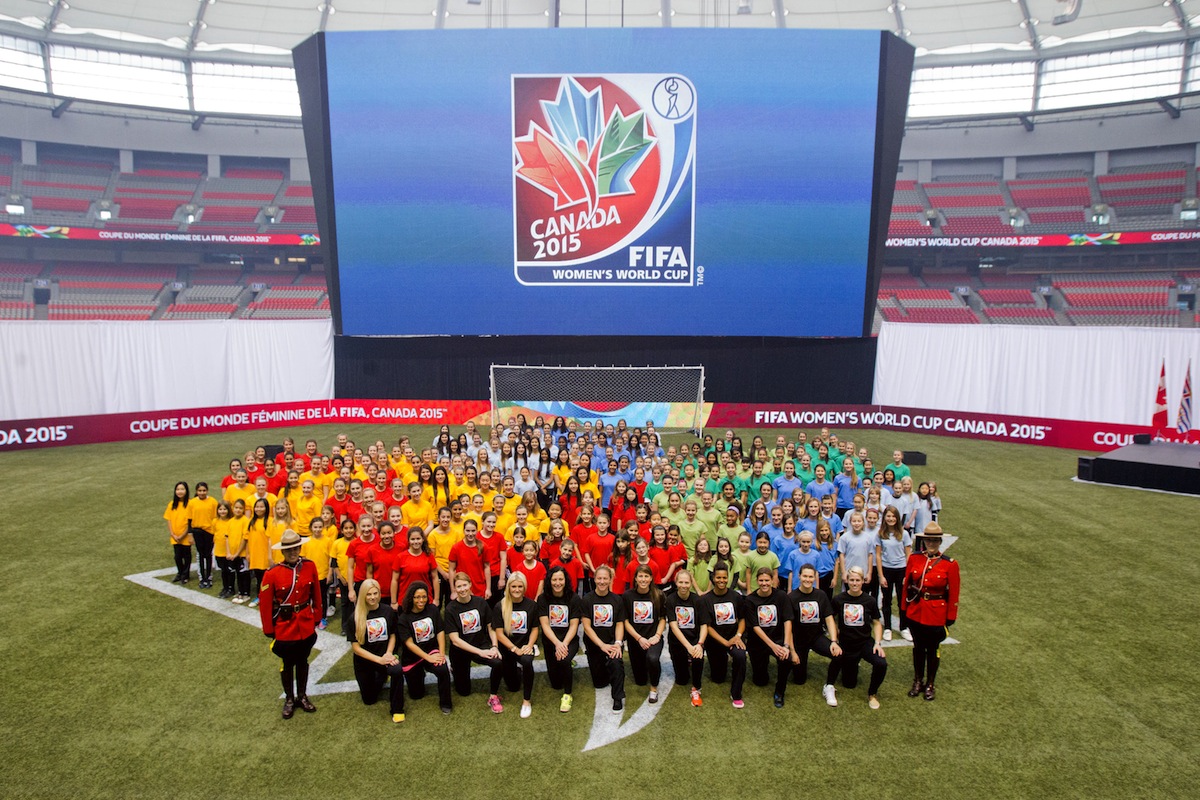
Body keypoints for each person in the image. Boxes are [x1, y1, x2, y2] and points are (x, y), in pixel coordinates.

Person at [258, 529, 323, 719]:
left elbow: (316, 594)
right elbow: (265, 604)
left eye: (296, 548)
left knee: (303, 660)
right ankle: (289, 698)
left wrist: (316, 617)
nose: (293, 552)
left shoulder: (309, 566)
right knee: (287, 663)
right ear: (283, 552)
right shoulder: (272, 574)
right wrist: (269, 629)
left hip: (305, 623)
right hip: (285, 626)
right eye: (289, 549)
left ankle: (302, 696)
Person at [900, 522, 960, 701]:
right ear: (924, 541)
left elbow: (954, 593)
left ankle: (930, 683)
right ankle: (917, 680)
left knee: (933, 649)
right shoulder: (915, 558)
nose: (931, 544)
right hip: (916, 611)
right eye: (929, 540)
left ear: (940, 541)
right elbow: (907, 586)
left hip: (935, 613)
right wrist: (904, 608)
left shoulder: (950, 564)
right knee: (918, 647)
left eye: (935, 541)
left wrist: (950, 617)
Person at [444, 572, 505, 711]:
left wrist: (494, 646)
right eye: (458, 586)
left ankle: (493, 696)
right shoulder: (450, 609)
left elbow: (491, 627)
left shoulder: (480, 602)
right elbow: (455, 640)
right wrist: (480, 652)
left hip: (480, 643)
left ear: (470, 585)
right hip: (461, 650)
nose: (462, 589)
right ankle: (455, 669)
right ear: (454, 588)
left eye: (465, 585)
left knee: (498, 662)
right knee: (464, 692)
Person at [828, 566, 887, 710]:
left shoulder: (870, 600)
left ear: (863, 581)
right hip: (846, 644)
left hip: (865, 642)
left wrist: (878, 643)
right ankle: (849, 665)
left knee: (881, 663)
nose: (854, 583)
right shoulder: (838, 599)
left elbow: (877, 623)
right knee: (849, 684)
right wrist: (835, 640)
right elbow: (831, 619)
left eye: (857, 580)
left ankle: (872, 693)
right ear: (847, 581)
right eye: (852, 580)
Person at [349, 578, 406, 723]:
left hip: (385, 656)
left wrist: (388, 653)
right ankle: (380, 677)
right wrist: (378, 660)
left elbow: (393, 635)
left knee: (397, 670)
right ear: (363, 595)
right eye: (369, 594)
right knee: (369, 700)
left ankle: (397, 709)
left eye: (375, 593)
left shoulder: (388, 611)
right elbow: (356, 648)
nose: (373, 597)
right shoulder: (355, 616)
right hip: (365, 661)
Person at [397, 581, 453, 715]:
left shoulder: (433, 609)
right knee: (416, 695)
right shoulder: (404, 618)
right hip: (412, 657)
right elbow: (409, 644)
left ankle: (446, 703)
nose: (421, 600)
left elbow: (440, 631)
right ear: (411, 598)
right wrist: (427, 658)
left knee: (442, 669)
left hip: (431, 650)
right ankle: (419, 673)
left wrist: (441, 653)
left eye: (424, 596)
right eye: (417, 597)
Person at [788, 564, 842, 700]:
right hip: (799, 641)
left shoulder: (821, 595)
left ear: (814, 578)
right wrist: (792, 650)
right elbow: (788, 626)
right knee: (799, 680)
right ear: (799, 577)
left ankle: (829, 686)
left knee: (838, 655)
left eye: (810, 576)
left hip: (816, 637)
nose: (807, 579)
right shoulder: (791, 597)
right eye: (805, 576)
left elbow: (829, 618)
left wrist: (834, 641)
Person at [701, 562, 748, 708]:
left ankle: (736, 693)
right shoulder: (706, 599)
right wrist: (725, 643)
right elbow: (707, 627)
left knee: (740, 656)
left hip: (734, 638)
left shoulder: (736, 597)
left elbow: (742, 619)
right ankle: (723, 660)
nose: (721, 581)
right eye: (718, 578)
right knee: (718, 678)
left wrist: (738, 636)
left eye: (724, 578)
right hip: (715, 641)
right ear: (713, 578)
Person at [492, 572, 540, 719]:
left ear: (524, 587)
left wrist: (530, 645)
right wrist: (513, 648)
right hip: (507, 648)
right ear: (509, 587)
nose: (517, 590)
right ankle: (516, 672)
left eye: (520, 586)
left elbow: (535, 629)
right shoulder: (500, 605)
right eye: (513, 586)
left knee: (527, 661)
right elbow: (499, 633)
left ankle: (526, 701)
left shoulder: (531, 605)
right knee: (512, 687)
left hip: (524, 646)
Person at [744, 566, 794, 708]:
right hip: (757, 642)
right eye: (761, 580)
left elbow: (787, 620)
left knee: (786, 659)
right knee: (760, 681)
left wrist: (785, 646)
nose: (764, 583)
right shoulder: (750, 600)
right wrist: (772, 646)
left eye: (767, 580)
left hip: (778, 639)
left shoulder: (781, 596)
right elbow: (755, 627)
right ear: (757, 581)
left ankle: (780, 691)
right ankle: (762, 665)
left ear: (773, 580)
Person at [581, 564, 627, 713]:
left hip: (612, 642)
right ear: (594, 579)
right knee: (600, 683)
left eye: (605, 579)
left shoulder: (617, 600)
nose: (602, 582)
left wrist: (618, 644)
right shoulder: (587, 599)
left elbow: (620, 624)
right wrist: (601, 645)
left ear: (610, 580)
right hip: (595, 644)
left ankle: (618, 697)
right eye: (599, 578)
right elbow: (586, 627)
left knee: (616, 662)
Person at [538, 565, 583, 713]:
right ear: (549, 581)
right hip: (551, 641)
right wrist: (557, 644)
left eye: (561, 579)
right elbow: (544, 624)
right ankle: (565, 660)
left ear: (566, 580)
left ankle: (567, 694)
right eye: (554, 579)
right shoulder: (543, 598)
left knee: (564, 660)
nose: (557, 583)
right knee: (555, 683)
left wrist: (563, 644)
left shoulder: (574, 598)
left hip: (569, 640)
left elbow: (574, 625)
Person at [623, 564, 666, 703]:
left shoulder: (658, 595)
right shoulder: (627, 596)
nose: (643, 579)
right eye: (640, 576)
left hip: (653, 638)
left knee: (652, 659)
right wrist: (639, 638)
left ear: (651, 578)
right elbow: (625, 621)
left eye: (646, 576)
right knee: (640, 680)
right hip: (636, 640)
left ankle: (654, 688)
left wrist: (657, 636)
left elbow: (662, 619)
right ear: (635, 578)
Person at [666, 569, 707, 707]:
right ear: (676, 582)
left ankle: (696, 688)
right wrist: (687, 647)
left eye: (686, 582)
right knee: (682, 680)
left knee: (698, 657)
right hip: (677, 642)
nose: (683, 585)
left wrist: (699, 644)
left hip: (695, 640)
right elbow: (673, 627)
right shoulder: (670, 599)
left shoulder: (698, 600)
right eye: (681, 582)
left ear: (691, 583)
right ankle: (685, 661)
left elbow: (704, 625)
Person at [188, 482, 218, 589]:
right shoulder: (192, 503)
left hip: (209, 531)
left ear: (207, 491)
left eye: (204, 490)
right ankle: (202, 578)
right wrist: (190, 533)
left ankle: (208, 577)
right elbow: (189, 519)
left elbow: (215, 518)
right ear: (196, 491)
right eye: (200, 491)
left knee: (208, 554)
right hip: (197, 531)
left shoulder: (213, 501)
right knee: (200, 555)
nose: (202, 493)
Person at [164, 481, 193, 584]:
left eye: (182, 489)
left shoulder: (190, 504)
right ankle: (180, 573)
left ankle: (185, 575)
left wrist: (182, 535)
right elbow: (169, 519)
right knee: (177, 556)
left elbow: (190, 522)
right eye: (178, 489)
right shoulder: (172, 504)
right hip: (175, 536)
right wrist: (173, 534)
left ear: (186, 491)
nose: (180, 491)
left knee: (186, 555)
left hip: (184, 536)